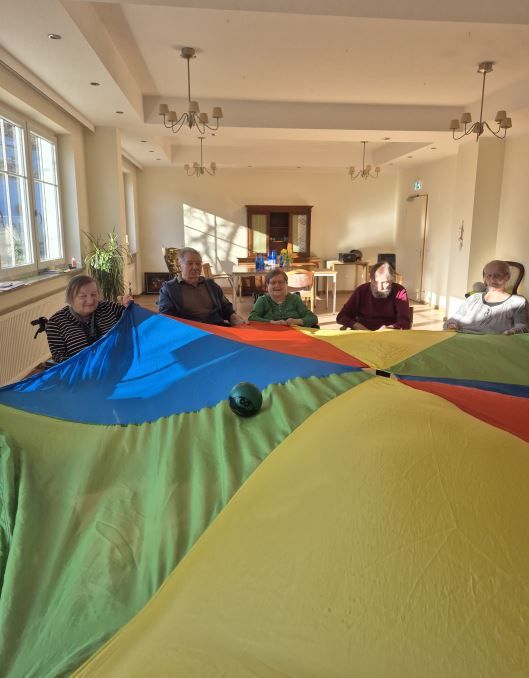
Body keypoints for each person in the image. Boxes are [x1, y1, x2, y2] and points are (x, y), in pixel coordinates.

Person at [46, 274, 133, 363]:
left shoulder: (109, 308)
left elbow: (135, 319)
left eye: (94, 294)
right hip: (82, 371)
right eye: (83, 296)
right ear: (70, 298)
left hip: (118, 364)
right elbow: (60, 359)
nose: (90, 301)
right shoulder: (56, 323)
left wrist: (129, 306)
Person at [158, 247, 246, 326]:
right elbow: (167, 317)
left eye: (198, 263)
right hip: (190, 332)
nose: (195, 267)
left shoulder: (211, 285)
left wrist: (233, 317)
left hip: (216, 328)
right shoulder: (169, 289)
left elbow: (225, 307)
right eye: (190, 263)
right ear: (179, 265)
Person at [444, 260, 529, 335]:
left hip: (493, 343)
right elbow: (454, 319)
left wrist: (512, 332)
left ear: (507, 277)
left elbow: (523, 327)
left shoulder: (518, 302)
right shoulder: (473, 298)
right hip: (461, 337)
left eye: (497, 275)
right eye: (489, 275)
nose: (492, 279)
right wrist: (451, 325)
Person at [336, 261, 411, 330]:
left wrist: (389, 328)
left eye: (385, 282)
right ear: (370, 279)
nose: (380, 287)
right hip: (362, 333)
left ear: (392, 279)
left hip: (388, 334)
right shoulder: (361, 290)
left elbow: (404, 322)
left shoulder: (400, 291)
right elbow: (341, 316)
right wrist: (356, 325)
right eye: (376, 282)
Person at [248, 269, 319, 327]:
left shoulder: (295, 299)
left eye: (281, 282)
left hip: (294, 335)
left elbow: (313, 318)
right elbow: (252, 318)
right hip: (270, 335)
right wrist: (272, 322)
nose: (277, 285)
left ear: (286, 284)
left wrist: (297, 321)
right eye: (273, 282)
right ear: (267, 285)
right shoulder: (263, 300)